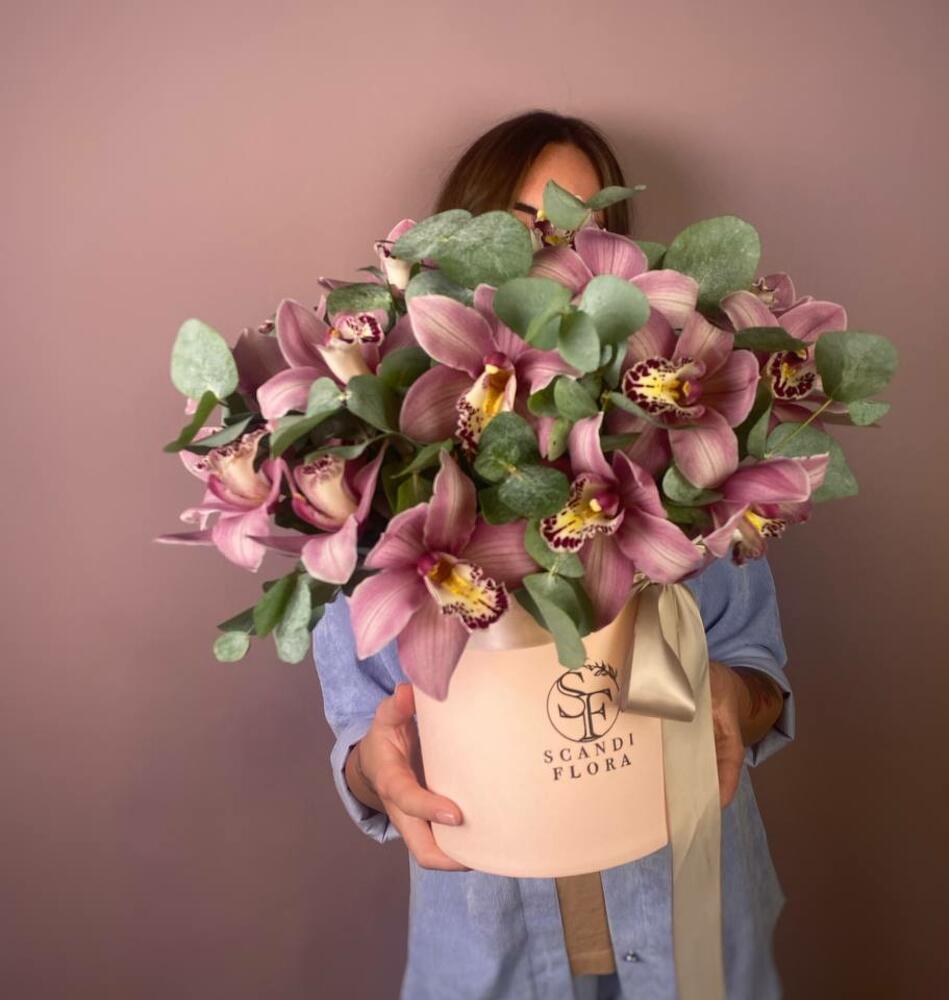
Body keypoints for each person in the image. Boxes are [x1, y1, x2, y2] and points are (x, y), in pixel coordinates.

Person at [312, 110, 792, 1000]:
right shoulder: (376, 483)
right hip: (488, 950)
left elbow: (759, 672)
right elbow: (361, 728)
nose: (549, 256)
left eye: (580, 232)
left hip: (695, 926)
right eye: (522, 227)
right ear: (451, 250)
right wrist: (377, 773)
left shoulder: (687, 457)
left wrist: (731, 697)